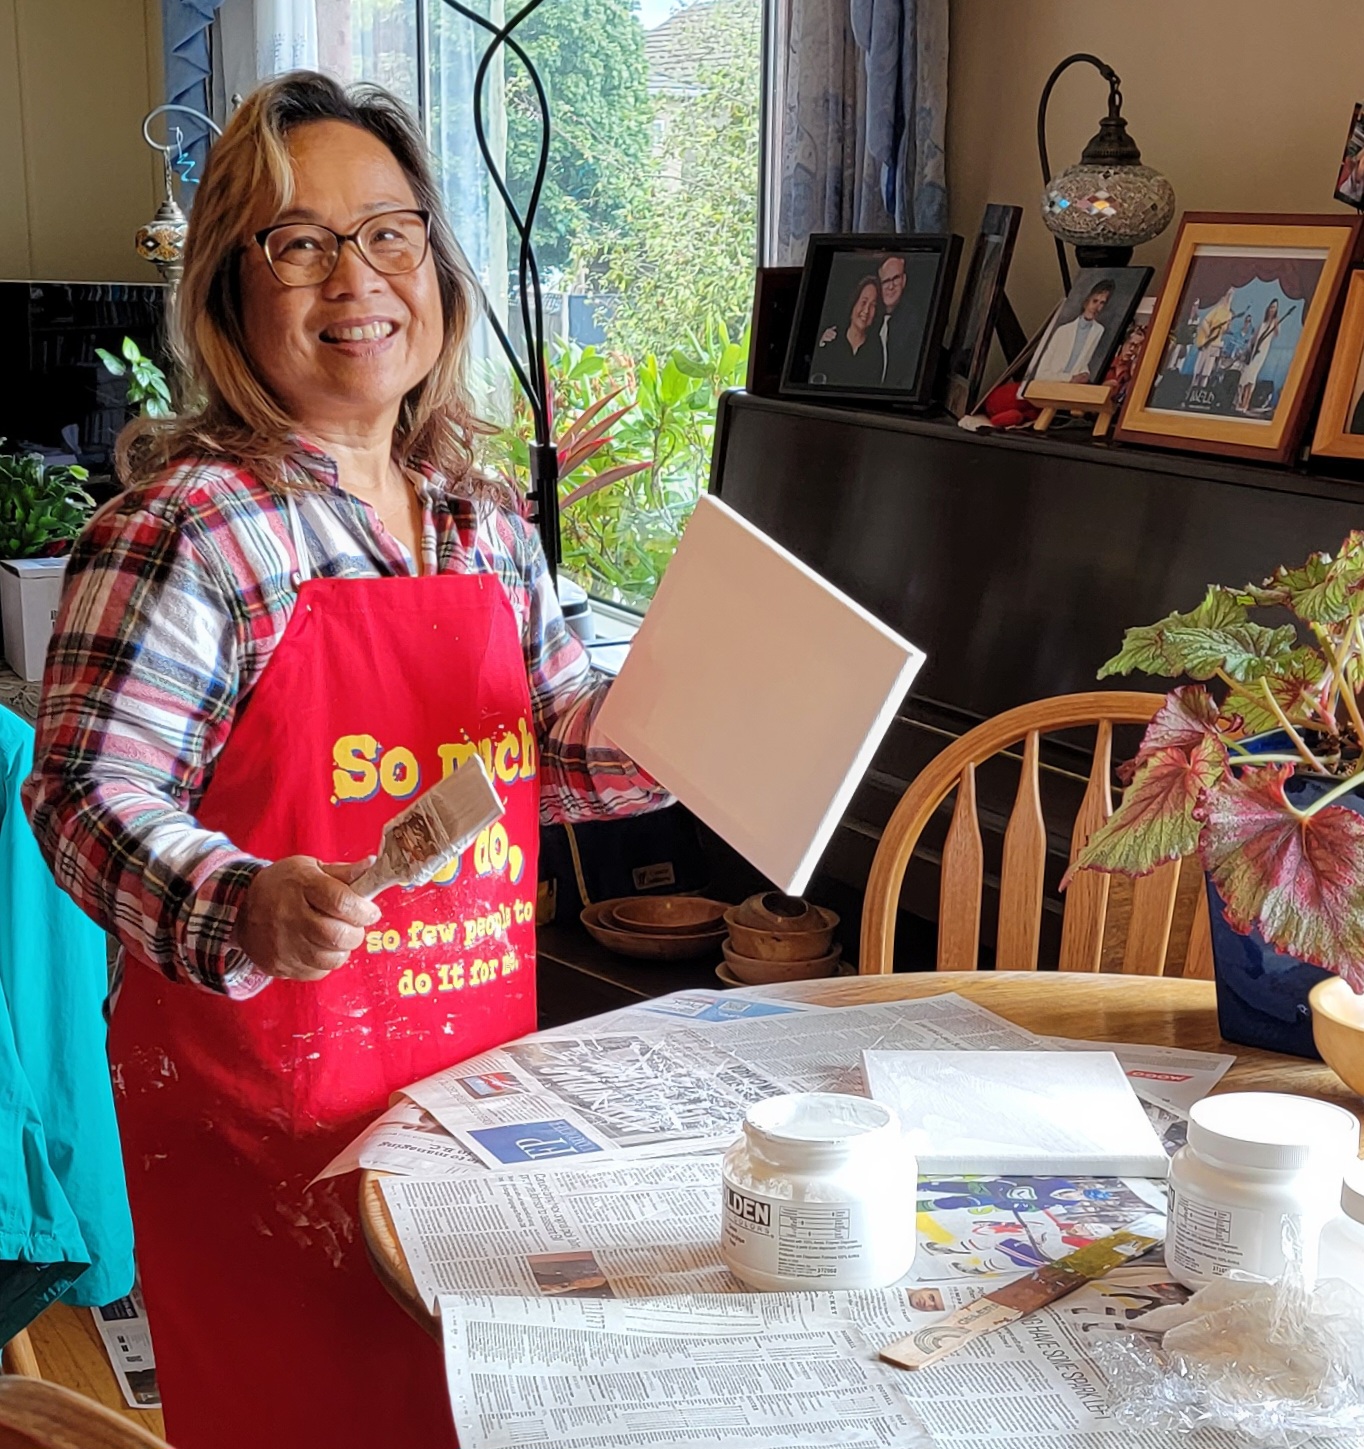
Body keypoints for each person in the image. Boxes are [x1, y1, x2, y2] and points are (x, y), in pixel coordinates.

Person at [23, 73, 669, 1449]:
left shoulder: (485, 516)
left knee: (466, 1413)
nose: (356, 277)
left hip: (471, 1091)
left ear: (434, 263)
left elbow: (549, 749)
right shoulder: (188, 530)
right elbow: (83, 793)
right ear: (228, 292)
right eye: (300, 242)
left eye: (388, 233)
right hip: (263, 1126)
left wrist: (692, 724)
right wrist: (241, 896)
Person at [1029, 279, 1115, 383]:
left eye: (1102, 303)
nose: (1096, 307)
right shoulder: (1063, 331)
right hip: (1051, 384)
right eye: (1095, 301)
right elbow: (1040, 375)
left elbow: (1083, 362)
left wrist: (1085, 373)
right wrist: (1069, 379)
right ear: (1086, 301)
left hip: (1074, 387)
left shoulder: (1099, 331)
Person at [814, 275, 882, 387]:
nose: (866, 310)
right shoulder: (830, 341)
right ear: (853, 304)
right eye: (864, 302)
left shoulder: (876, 349)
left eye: (873, 305)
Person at [876, 253, 930, 388]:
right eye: (886, 281)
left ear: (904, 280)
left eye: (896, 279)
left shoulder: (914, 322)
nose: (891, 286)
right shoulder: (870, 313)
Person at [1235, 298, 1283, 412]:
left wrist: (1276, 322)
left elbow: (1277, 334)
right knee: (1245, 377)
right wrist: (1247, 350)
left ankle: (1246, 403)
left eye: (1274, 308)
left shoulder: (1274, 324)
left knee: (1252, 377)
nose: (1272, 309)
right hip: (1253, 352)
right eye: (1271, 307)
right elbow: (1254, 339)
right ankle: (1240, 402)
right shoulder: (1262, 324)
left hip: (1261, 354)